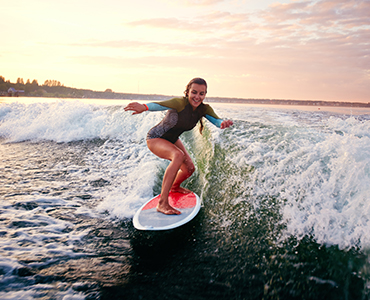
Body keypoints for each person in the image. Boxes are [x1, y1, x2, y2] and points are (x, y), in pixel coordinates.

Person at [124, 78, 233, 215]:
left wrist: (223, 123)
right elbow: (159, 105)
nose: (197, 97)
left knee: (189, 169)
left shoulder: (204, 109)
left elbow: (217, 121)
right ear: (187, 92)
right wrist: (144, 107)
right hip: (156, 138)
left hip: (172, 139)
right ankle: (162, 203)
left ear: (205, 95)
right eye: (194, 92)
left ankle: (174, 187)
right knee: (178, 155)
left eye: (201, 93)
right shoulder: (180, 103)